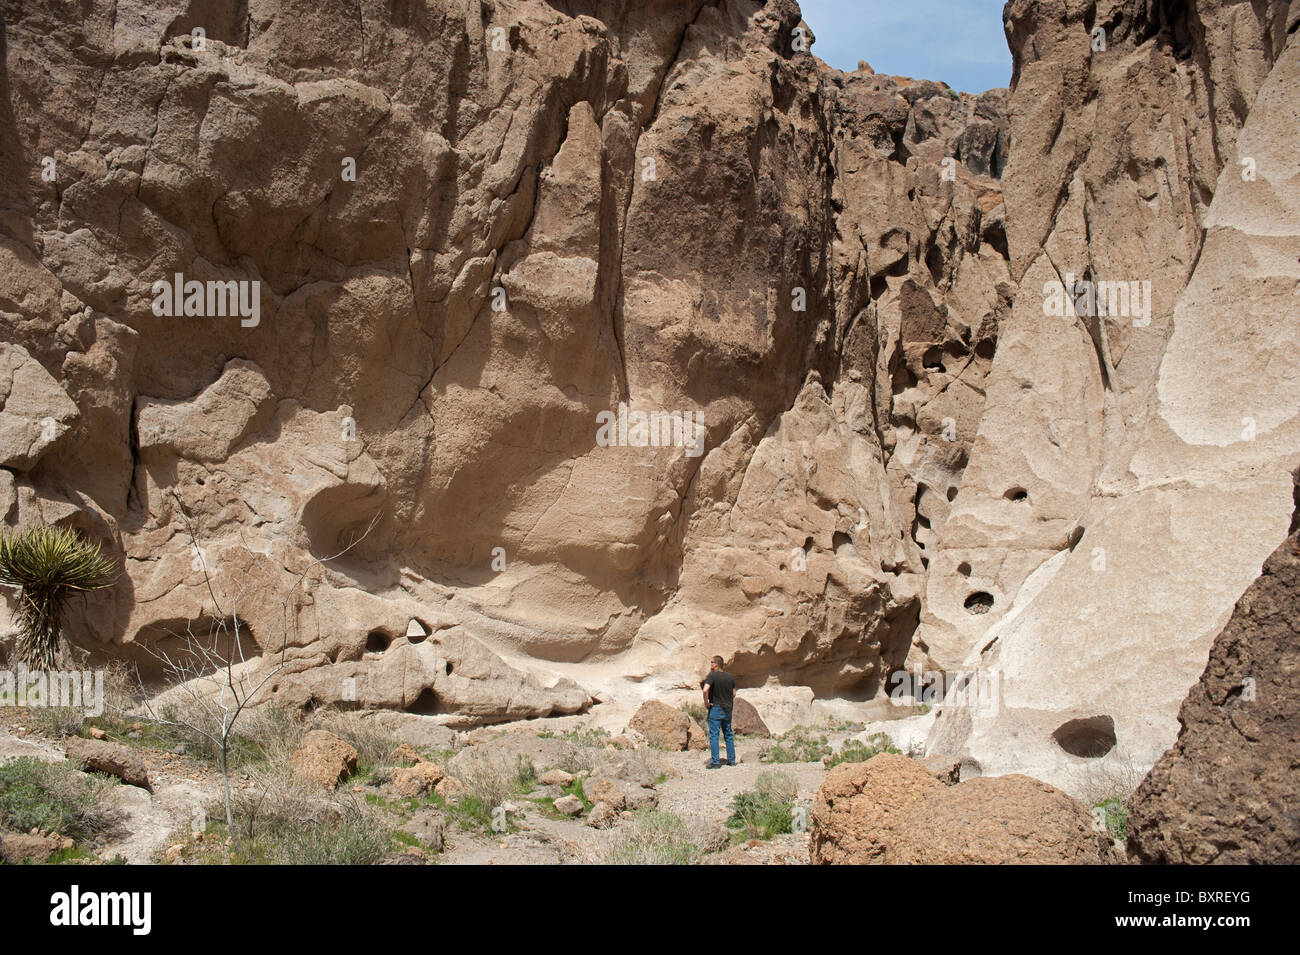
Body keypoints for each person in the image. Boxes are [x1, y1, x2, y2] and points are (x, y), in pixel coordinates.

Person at [701, 655, 736, 769]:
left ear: (715, 664)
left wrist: (706, 702)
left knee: (714, 735)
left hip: (716, 708)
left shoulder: (712, 676)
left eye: (711, 663)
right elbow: (734, 694)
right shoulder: (730, 677)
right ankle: (731, 760)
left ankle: (715, 762)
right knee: (728, 734)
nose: (710, 665)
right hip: (728, 708)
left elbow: (705, 690)